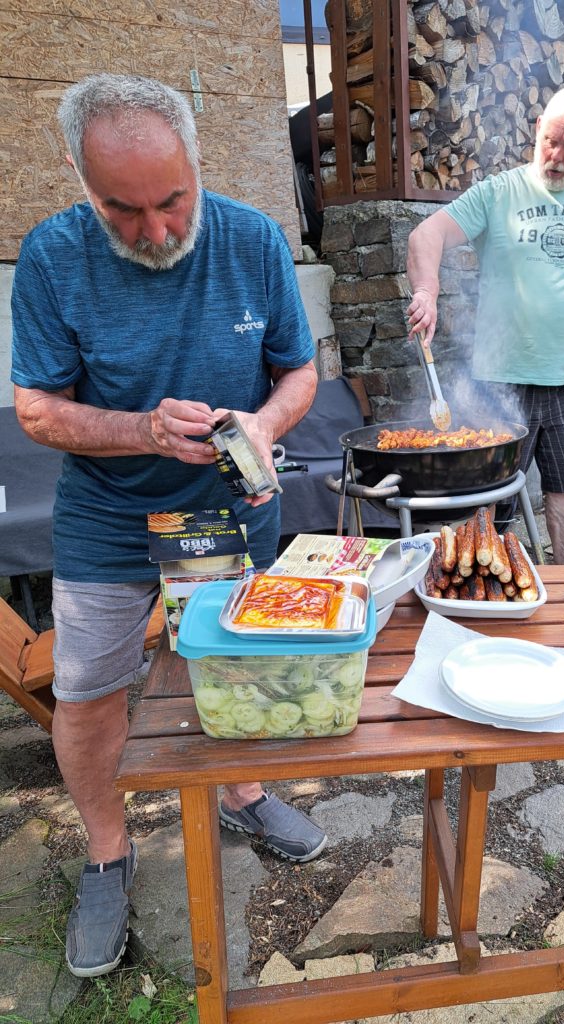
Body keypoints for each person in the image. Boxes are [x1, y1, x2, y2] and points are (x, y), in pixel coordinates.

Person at [10, 73, 327, 979]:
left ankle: (244, 793)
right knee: (89, 689)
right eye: (124, 210)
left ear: (198, 162)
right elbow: (36, 409)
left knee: (234, 662)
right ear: (80, 179)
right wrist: (142, 429)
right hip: (108, 514)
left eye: (172, 201)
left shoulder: (255, 239)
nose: (155, 231)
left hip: (229, 507)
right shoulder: (50, 255)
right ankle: (108, 855)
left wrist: (265, 425)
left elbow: (297, 372)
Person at [406, 86, 564, 563]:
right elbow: (426, 234)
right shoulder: (499, 192)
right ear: (537, 129)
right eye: (550, 140)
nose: (556, 155)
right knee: (489, 499)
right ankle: (481, 580)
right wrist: (427, 291)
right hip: (498, 377)